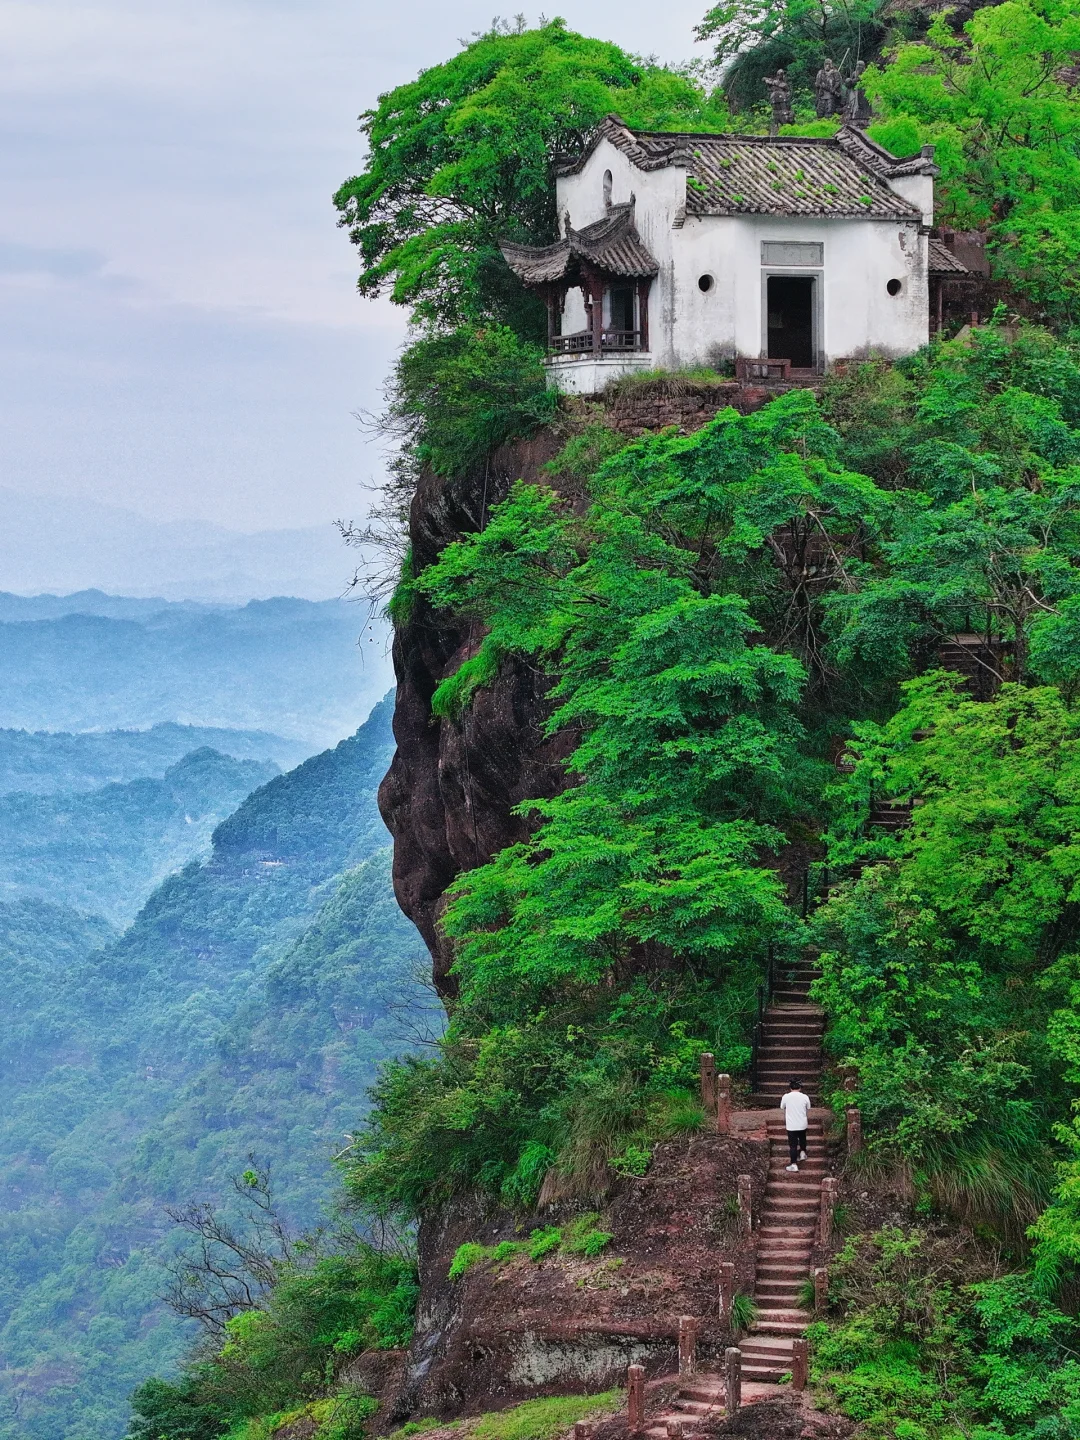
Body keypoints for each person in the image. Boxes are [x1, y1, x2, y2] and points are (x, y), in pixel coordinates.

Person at [780, 1079, 811, 1170]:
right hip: (802, 1122)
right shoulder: (805, 1097)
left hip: (791, 1124)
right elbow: (808, 1107)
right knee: (802, 1138)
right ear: (800, 1088)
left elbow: (782, 1107)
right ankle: (802, 1152)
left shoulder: (786, 1097)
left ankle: (794, 1164)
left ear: (790, 1088)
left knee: (793, 1145)